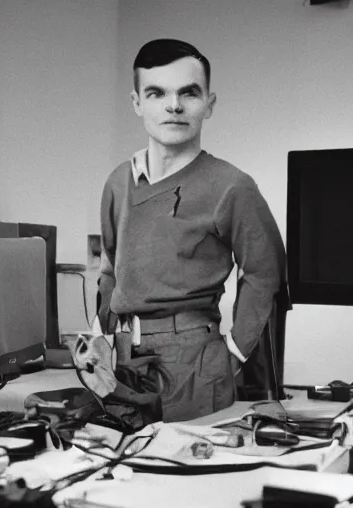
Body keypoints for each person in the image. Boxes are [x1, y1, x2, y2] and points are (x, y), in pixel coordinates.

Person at [97, 39, 287, 422]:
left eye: (189, 93)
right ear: (137, 102)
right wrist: (101, 339)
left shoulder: (232, 186)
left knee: (182, 467)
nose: (174, 106)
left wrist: (235, 351)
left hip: (193, 359)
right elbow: (108, 268)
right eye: (157, 93)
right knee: (120, 468)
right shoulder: (119, 181)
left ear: (209, 104)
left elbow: (266, 271)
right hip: (122, 360)